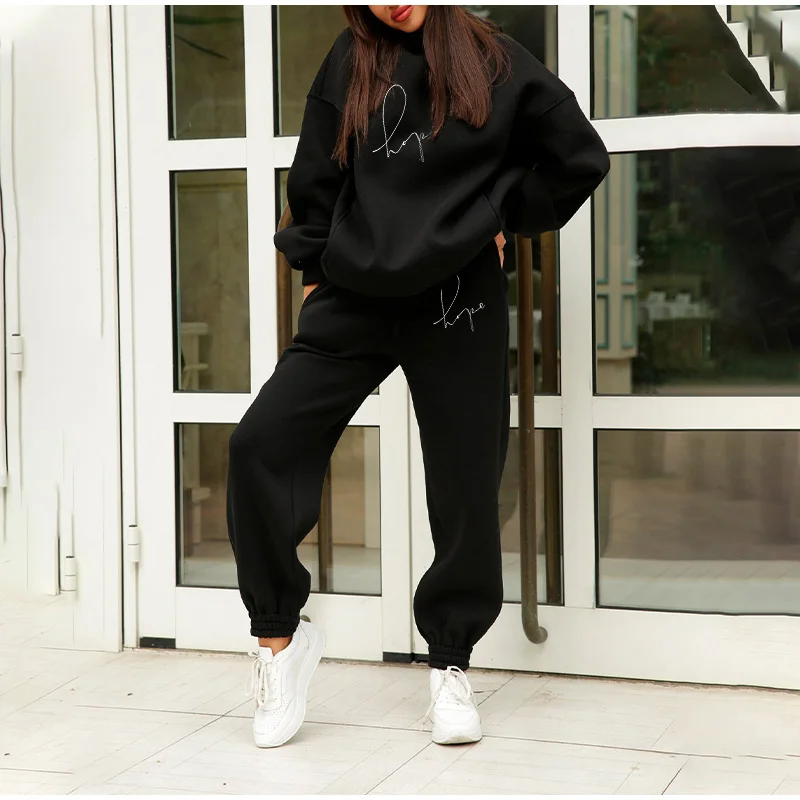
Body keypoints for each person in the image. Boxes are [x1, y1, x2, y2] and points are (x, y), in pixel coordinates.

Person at [227, 4, 609, 749]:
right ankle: (279, 639)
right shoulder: (350, 58)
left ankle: (451, 663)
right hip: (354, 299)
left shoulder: (497, 60)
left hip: (459, 298)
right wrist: (316, 269)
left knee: (466, 484)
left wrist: (501, 212)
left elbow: (578, 156)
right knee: (260, 446)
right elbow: (316, 173)